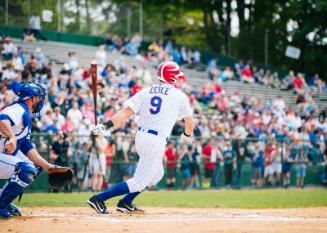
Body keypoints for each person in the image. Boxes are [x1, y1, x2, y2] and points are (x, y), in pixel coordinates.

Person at [87, 61, 194, 214]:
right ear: (171, 77)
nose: (178, 79)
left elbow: (126, 113)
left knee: (157, 174)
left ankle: (125, 202)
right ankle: (98, 199)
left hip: (141, 137)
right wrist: (186, 135)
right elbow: (190, 123)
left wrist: (105, 125)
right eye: (176, 76)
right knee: (138, 182)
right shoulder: (179, 96)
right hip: (155, 141)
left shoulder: (146, 91)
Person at [0, 82, 55, 219]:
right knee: (26, 169)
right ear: (33, 98)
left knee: (36, 166)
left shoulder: (26, 114)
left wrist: (48, 166)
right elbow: (2, 120)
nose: (41, 101)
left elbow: (27, 147)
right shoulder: (19, 108)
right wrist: (11, 137)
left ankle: (4, 201)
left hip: (2, 156)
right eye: (40, 97)